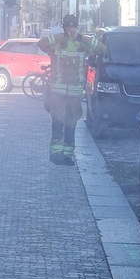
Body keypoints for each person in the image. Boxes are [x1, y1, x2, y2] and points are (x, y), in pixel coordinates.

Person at [37, 14, 105, 166]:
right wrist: (58, 37)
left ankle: (68, 155)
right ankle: (55, 154)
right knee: (58, 122)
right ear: (64, 27)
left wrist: (83, 38)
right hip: (58, 92)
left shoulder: (82, 44)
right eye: (68, 26)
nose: (71, 29)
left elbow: (102, 48)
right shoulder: (57, 42)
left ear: (77, 27)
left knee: (71, 124)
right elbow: (41, 44)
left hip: (74, 92)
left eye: (73, 26)